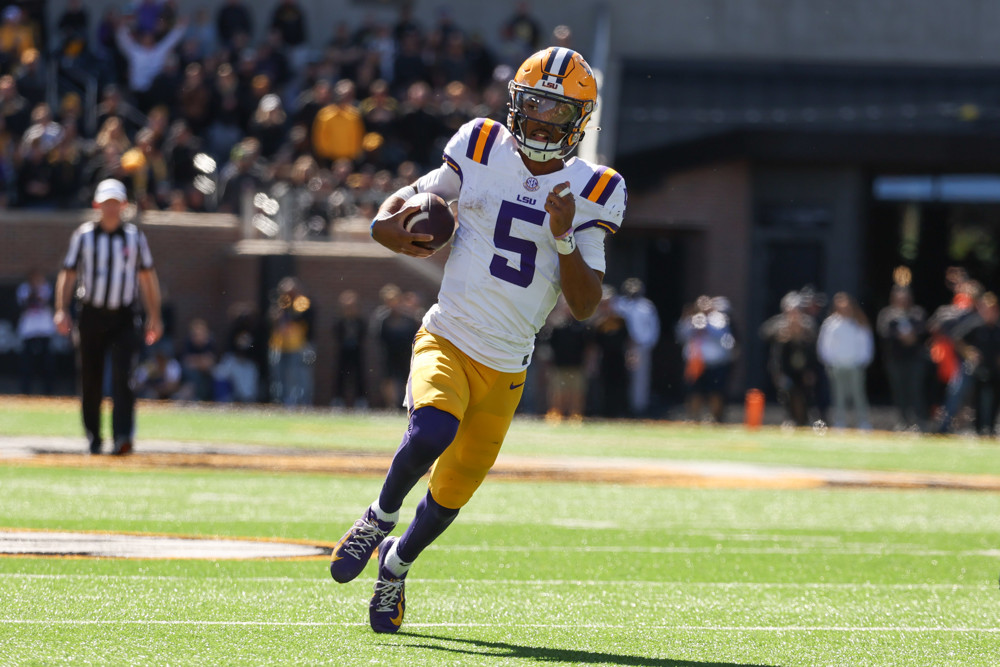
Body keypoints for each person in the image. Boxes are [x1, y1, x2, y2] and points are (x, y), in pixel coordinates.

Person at [328, 47, 626, 634]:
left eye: (556, 112)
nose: (541, 122)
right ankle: (376, 517)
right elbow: (407, 201)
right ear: (514, 104)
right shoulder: (481, 143)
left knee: (451, 495)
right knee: (433, 428)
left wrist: (564, 239)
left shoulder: (597, 186)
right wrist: (384, 227)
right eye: (533, 106)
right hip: (447, 335)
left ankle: (396, 565)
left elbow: (587, 305)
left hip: (508, 366)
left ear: (580, 121)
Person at [54, 178, 163, 455]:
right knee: (90, 379)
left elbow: (148, 278)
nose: (111, 208)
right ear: (97, 205)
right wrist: (61, 309)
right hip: (91, 314)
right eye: (106, 203)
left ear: (124, 205)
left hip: (123, 316)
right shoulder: (83, 236)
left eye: (115, 203)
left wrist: (154, 315)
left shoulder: (135, 238)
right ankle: (94, 436)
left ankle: (123, 436)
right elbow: (67, 274)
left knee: (124, 377)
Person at [817, 292, 874, 430]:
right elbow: (824, 345)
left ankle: (863, 422)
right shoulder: (830, 324)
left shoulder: (859, 322)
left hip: (855, 366)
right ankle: (840, 422)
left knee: (858, 395)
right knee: (838, 395)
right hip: (837, 366)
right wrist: (830, 362)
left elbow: (866, 344)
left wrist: (862, 361)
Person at [876, 284, 928, 430]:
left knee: (916, 390)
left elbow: (922, 331)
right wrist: (902, 337)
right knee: (899, 392)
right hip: (895, 360)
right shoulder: (886, 314)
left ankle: (919, 422)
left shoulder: (917, 313)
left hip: (915, 359)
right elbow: (884, 332)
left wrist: (910, 337)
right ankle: (903, 422)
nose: (902, 301)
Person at [613, 277, 660, 417]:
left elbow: (654, 327)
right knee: (619, 376)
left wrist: (647, 344)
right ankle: (620, 407)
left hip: (640, 346)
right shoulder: (618, 304)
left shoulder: (646, 307)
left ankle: (639, 409)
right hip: (622, 346)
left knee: (640, 379)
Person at [15, 268, 56, 395]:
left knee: (47, 364)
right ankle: (25, 391)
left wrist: (39, 289)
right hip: (29, 332)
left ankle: (49, 392)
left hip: (44, 331)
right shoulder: (23, 289)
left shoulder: (46, 288)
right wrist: (33, 290)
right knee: (27, 364)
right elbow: (23, 304)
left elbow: (48, 302)